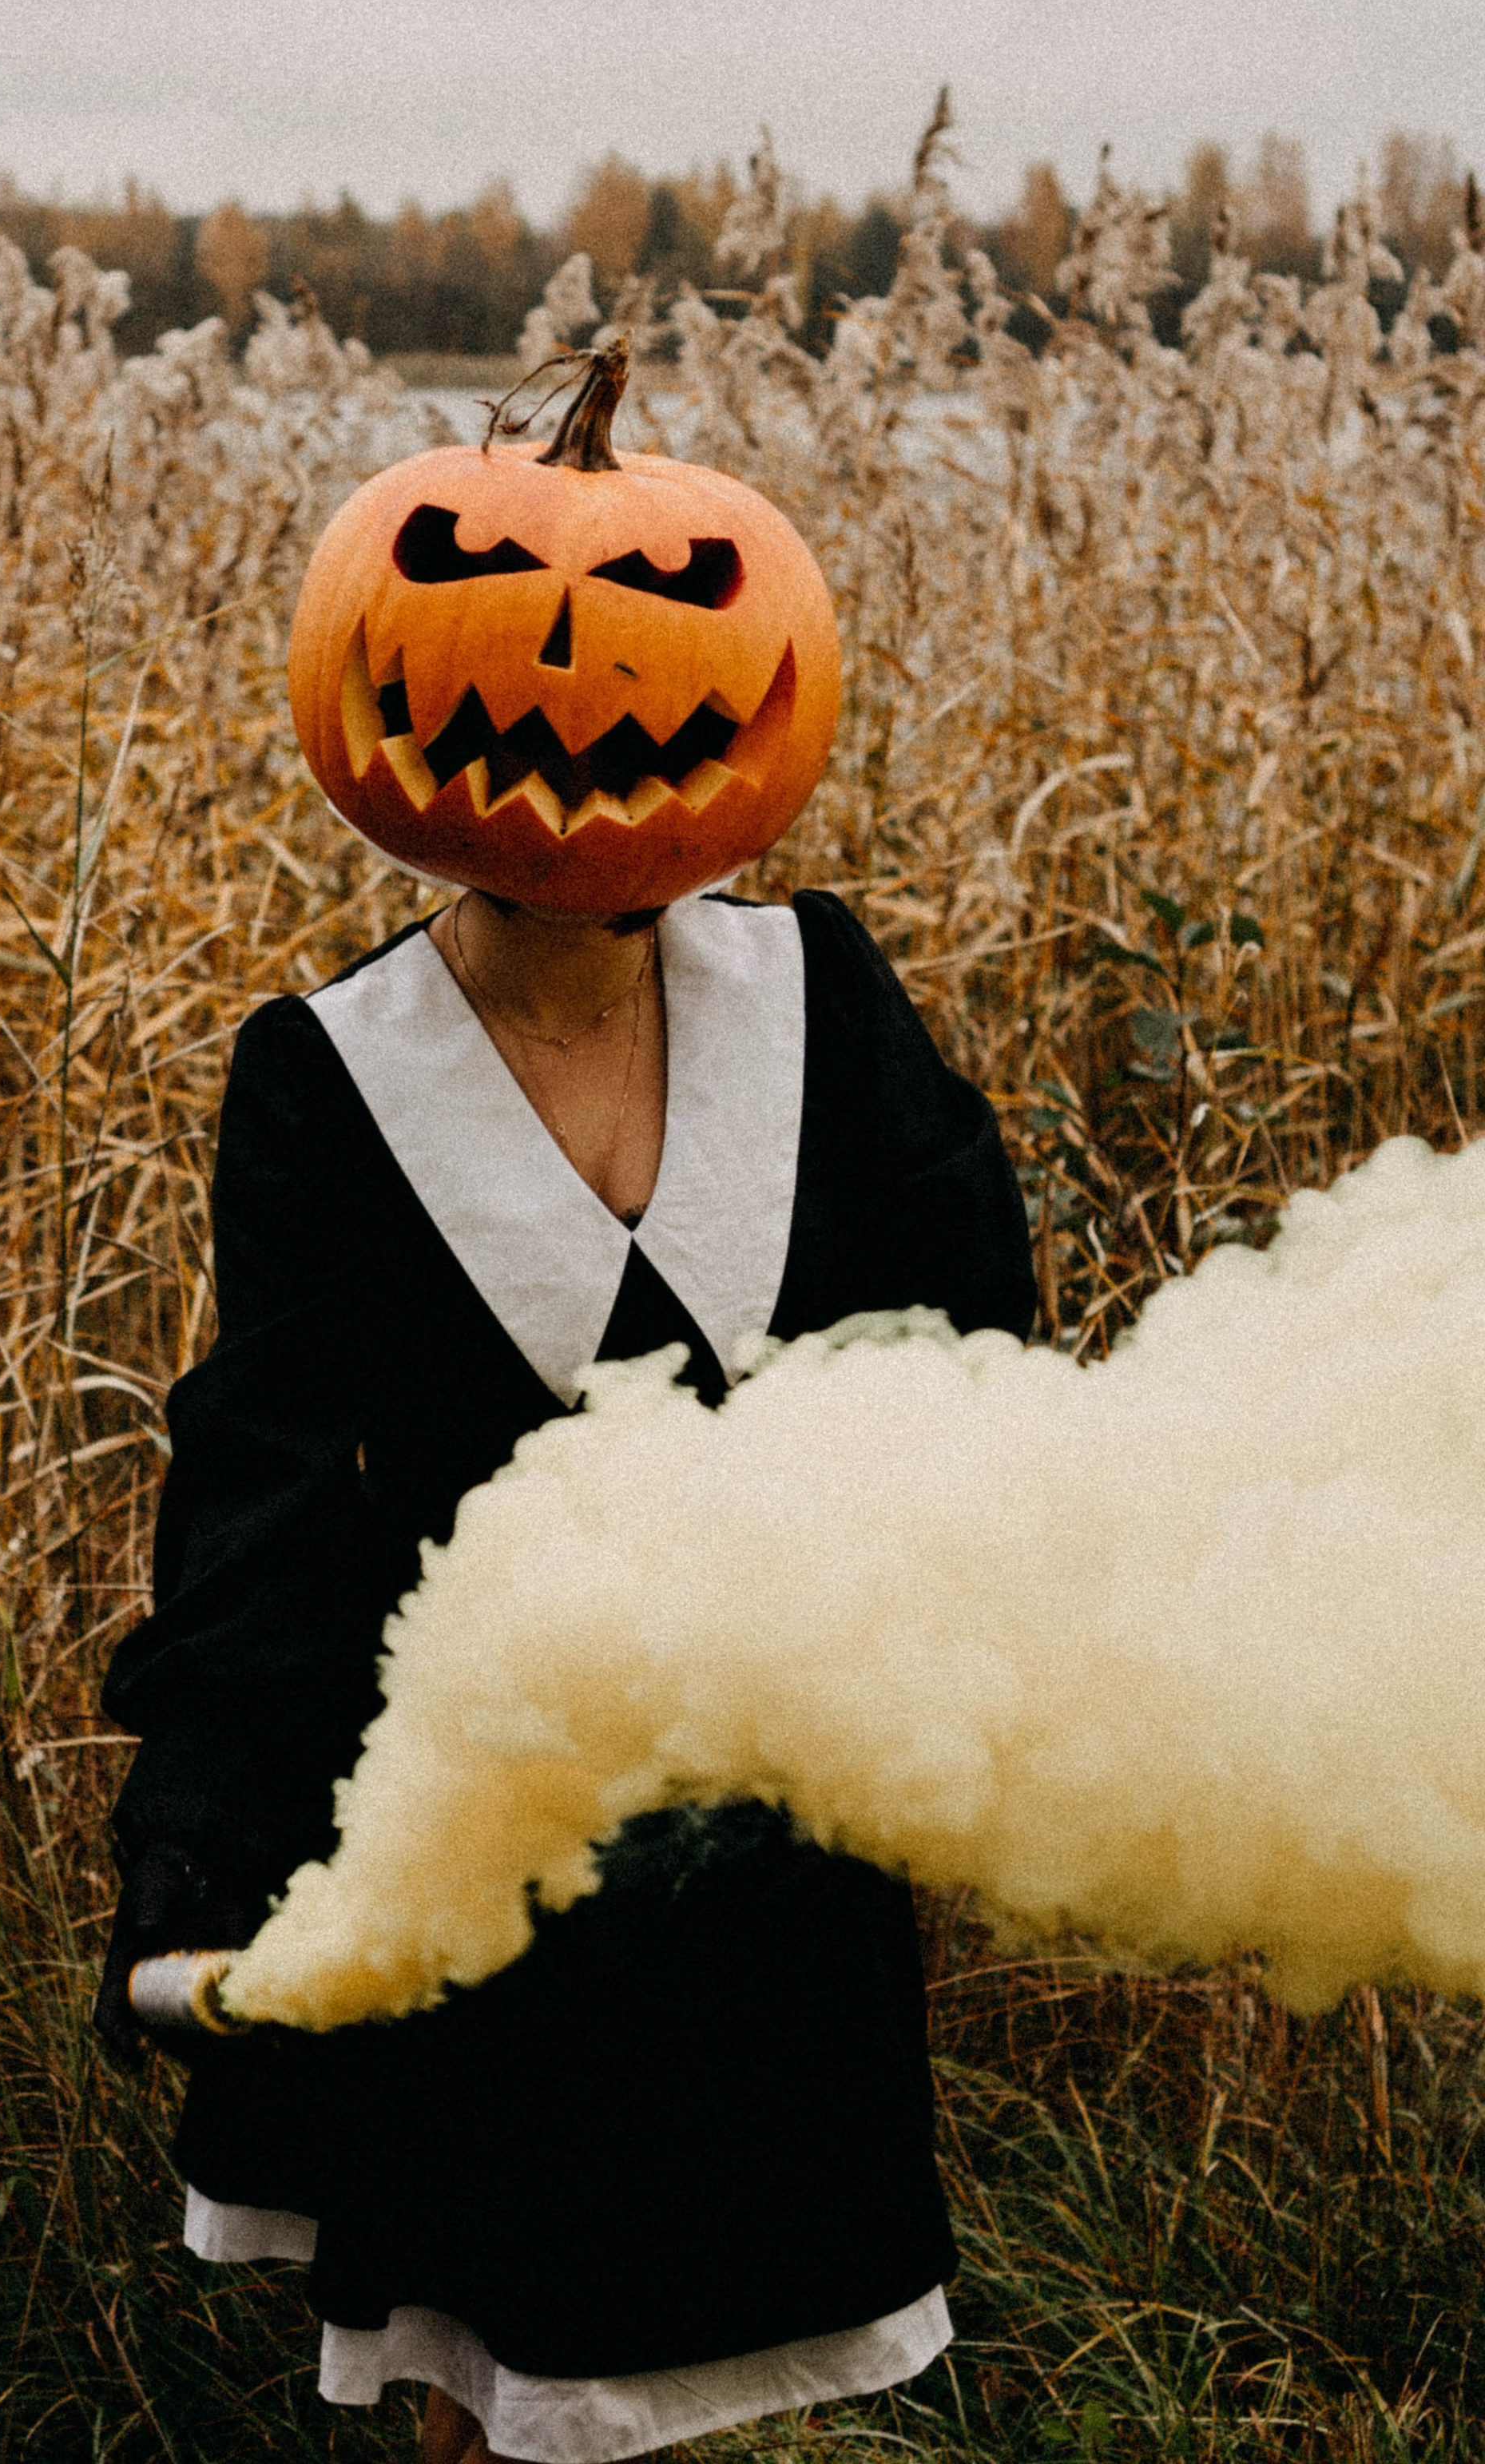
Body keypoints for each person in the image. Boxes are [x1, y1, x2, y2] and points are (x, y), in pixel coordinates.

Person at [96, 871, 1036, 2464]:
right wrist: (200, 1846)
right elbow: (269, 1501)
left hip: (764, 1810)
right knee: (496, 2378)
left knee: (681, 2367)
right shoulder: (329, 1069)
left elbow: (964, 1349)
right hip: (481, 1825)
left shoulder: (811, 992)